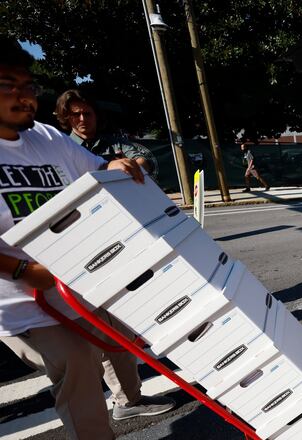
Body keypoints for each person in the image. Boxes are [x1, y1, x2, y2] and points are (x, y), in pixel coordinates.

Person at [0, 38, 175, 439]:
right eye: (8, 85)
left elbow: (98, 167)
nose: (24, 97)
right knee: (77, 361)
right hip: (19, 302)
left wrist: (117, 164)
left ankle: (129, 403)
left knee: (125, 331)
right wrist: (25, 270)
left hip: (74, 282)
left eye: (28, 87)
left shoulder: (46, 138)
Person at [54, 89, 157, 177]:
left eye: (87, 114)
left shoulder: (118, 143)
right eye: (76, 114)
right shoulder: (63, 147)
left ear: (96, 115)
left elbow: (144, 162)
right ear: (66, 117)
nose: (82, 119)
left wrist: (132, 167)